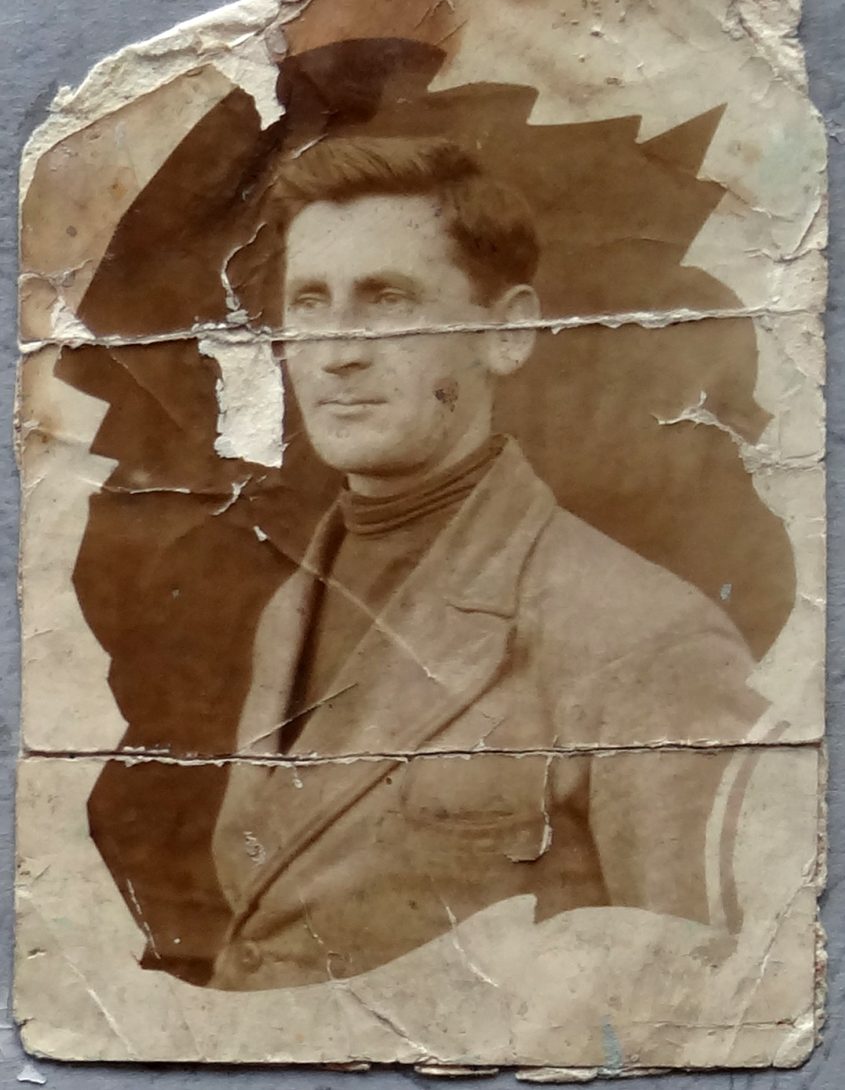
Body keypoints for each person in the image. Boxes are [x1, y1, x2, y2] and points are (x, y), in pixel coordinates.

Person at [209, 137, 767, 990]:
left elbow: (701, 1004)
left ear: (506, 334)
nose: (337, 350)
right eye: (310, 303)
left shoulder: (647, 639)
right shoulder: (292, 604)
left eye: (388, 300)